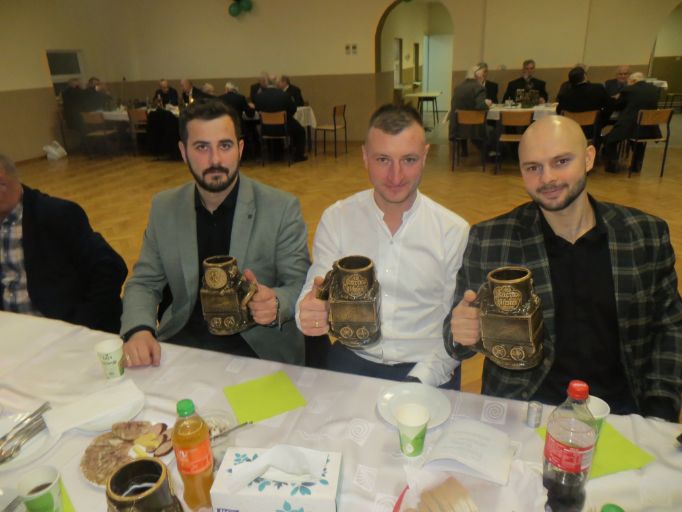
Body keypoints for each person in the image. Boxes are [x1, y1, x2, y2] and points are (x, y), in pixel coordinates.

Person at [444, 115, 682, 422]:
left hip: (622, 412)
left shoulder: (645, 235)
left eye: (561, 162)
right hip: (524, 411)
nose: (547, 179)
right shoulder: (490, 239)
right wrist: (463, 333)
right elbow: (456, 339)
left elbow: (669, 327)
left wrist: (660, 410)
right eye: (533, 167)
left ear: (589, 158)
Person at [120, 101, 310, 367]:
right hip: (184, 342)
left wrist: (276, 303)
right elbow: (144, 282)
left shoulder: (281, 208)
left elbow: (299, 283)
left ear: (240, 149)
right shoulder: (164, 207)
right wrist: (139, 329)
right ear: (183, 152)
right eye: (202, 147)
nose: (215, 160)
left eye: (225, 145)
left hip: (256, 349)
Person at [297, 104, 469, 387]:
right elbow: (312, 291)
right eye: (383, 159)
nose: (396, 176)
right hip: (351, 358)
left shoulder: (453, 231)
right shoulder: (337, 218)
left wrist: (419, 380)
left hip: (428, 367)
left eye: (409, 160)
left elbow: (457, 329)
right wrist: (308, 312)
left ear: (425, 156)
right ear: (365, 157)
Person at [0, 154, 127, 332]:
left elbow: (110, 268)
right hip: (11, 329)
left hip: (60, 329)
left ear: (11, 180)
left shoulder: (58, 215)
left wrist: (81, 324)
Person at [602, 72, 661, 173]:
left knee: (608, 139)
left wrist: (617, 98)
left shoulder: (629, 89)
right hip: (649, 128)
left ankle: (613, 165)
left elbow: (618, 106)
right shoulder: (655, 89)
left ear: (633, 81)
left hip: (629, 125)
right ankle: (637, 164)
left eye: (628, 81)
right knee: (637, 141)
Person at [252, 77, 307, 162]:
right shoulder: (284, 95)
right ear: (276, 84)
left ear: (266, 84)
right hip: (284, 127)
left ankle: (274, 155)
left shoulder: (258, 96)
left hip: (266, 128)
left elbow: (256, 110)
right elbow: (293, 109)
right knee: (301, 131)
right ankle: (298, 156)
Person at [556, 66, 612, 149]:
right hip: (592, 130)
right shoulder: (598, 89)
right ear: (585, 76)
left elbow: (559, 111)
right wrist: (602, 121)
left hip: (572, 130)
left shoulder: (565, 94)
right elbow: (610, 106)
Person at [449, 64, 493, 155]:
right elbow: (480, 106)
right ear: (479, 76)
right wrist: (487, 103)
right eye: (482, 76)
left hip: (457, 129)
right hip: (473, 130)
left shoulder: (458, 87)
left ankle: (465, 151)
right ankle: (491, 154)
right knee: (493, 130)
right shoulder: (479, 88)